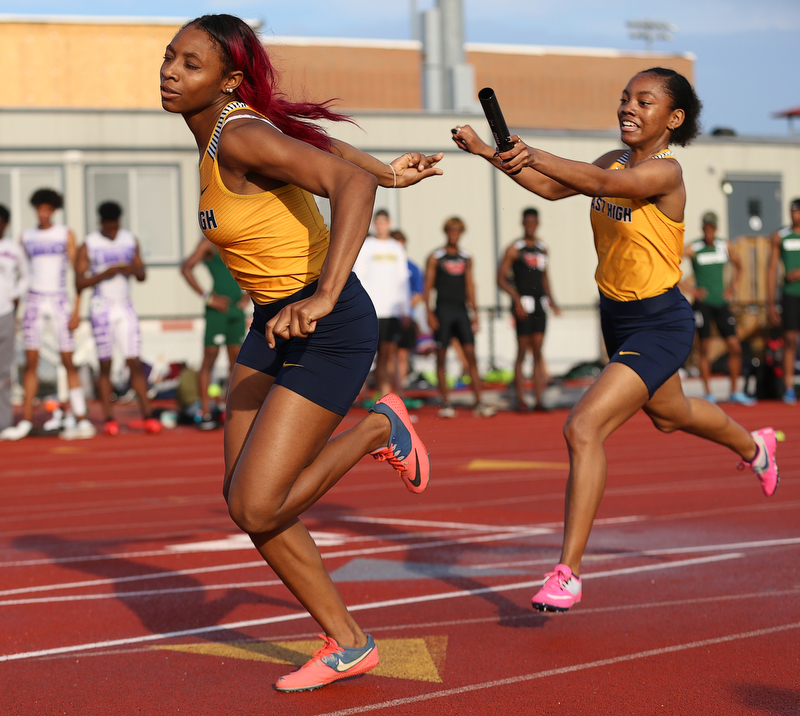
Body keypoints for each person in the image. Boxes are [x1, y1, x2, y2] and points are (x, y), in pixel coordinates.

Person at [160, 13, 439, 691]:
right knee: (244, 500)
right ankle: (348, 642)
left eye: (189, 64)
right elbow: (337, 163)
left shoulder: (241, 136)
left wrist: (323, 294)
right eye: (169, 56)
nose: (170, 71)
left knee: (259, 506)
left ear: (227, 80)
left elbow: (350, 187)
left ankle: (381, 425)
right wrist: (387, 171)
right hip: (272, 324)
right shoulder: (228, 136)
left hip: (329, 323)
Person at [453, 67, 779, 613]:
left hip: (660, 321)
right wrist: (492, 154)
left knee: (582, 427)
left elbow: (604, 188)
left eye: (644, 101)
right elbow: (554, 188)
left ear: (672, 119)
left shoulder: (665, 173)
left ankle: (568, 572)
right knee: (671, 414)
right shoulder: (613, 158)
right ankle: (755, 447)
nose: (628, 107)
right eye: (625, 97)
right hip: (618, 319)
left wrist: (528, 151)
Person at [0, 188, 95, 441]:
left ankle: (82, 417)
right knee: (30, 362)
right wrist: (17, 310)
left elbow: (78, 272)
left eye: (47, 209)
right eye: (39, 209)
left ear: (54, 210)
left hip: (59, 301)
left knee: (68, 359)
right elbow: (20, 273)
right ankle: (27, 419)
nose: (42, 214)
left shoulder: (65, 234)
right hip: (33, 301)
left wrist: (77, 309)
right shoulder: (26, 237)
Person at [75, 202, 161, 436]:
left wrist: (130, 269)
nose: (113, 232)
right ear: (102, 224)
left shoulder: (129, 240)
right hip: (101, 306)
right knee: (105, 363)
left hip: (124, 306)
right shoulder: (90, 243)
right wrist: (105, 273)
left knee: (134, 360)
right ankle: (109, 417)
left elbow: (142, 274)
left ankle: (147, 415)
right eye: (109, 228)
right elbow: (79, 282)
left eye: (116, 227)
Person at [423, 216, 496, 418]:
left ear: (461, 233)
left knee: (470, 355)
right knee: (441, 357)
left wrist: (475, 314)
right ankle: (446, 403)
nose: (454, 234)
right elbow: (427, 285)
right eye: (451, 230)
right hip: (443, 310)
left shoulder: (466, 257)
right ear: (446, 232)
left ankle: (479, 401)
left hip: (461, 310)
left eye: (458, 230)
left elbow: (470, 285)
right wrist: (428, 312)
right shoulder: (436, 257)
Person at [683, 211, 754, 405]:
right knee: (704, 347)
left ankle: (734, 392)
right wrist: (689, 289)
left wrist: (732, 288)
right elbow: (671, 263)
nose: (709, 230)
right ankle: (708, 393)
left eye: (712, 227)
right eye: (706, 227)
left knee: (735, 346)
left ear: (716, 228)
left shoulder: (724, 245)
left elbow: (740, 266)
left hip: (721, 303)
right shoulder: (694, 247)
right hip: (702, 305)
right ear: (702, 227)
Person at [181, 236, 248, 428]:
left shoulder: (237, 239)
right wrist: (208, 298)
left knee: (237, 360)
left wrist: (249, 292)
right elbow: (186, 267)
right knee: (210, 357)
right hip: (217, 311)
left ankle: (231, 409)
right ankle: (206, 411)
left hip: (236, 309)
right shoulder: (207, 243)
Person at [497, 207, 560, 411]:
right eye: (527, 223)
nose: (530, 226)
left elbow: (544, 276)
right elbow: (501, 278)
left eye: (534, 222)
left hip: (540, 303)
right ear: (523, 224)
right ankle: (521, 399)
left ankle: (539, 400)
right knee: (522, 351)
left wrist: (552, 300)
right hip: (523, 304)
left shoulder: (542, 248)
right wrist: (515, 299)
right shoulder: (515, 248)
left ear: (537, 224)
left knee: (538, 351)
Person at [352, 210, 410, 403]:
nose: (381, 226)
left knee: (387, 355)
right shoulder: (366, 245)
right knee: (366, 354)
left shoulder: (396, 248)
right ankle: (360, 394)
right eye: (378, 222)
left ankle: (384, 395)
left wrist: (405, 309)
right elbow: (358, 274)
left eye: (384, 222)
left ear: (390, 223)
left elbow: (403, 278)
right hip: (371, 309)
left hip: (392, 310)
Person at [767, 197, 800, 404]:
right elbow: (771, 270)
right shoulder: (781, 236)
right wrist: (771, 302)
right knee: (789, 340)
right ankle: (788, 387)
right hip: (789, 295)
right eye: (792, 211)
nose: (794, 215)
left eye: (797, 211)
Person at [0, 205, 29, 432]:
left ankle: (4, 422)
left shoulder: (13, 249)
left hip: (6, 313)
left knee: (4, 372)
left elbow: (26, 275)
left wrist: (15, 295)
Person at [390, 229, 426, 404]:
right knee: (386, 355)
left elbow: (420, 293)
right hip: (387, 316)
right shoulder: (385, 267)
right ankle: (384, 391)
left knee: (402, 355)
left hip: (405, 317)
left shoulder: (412, 267)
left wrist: (405, 307)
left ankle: (399, 391)